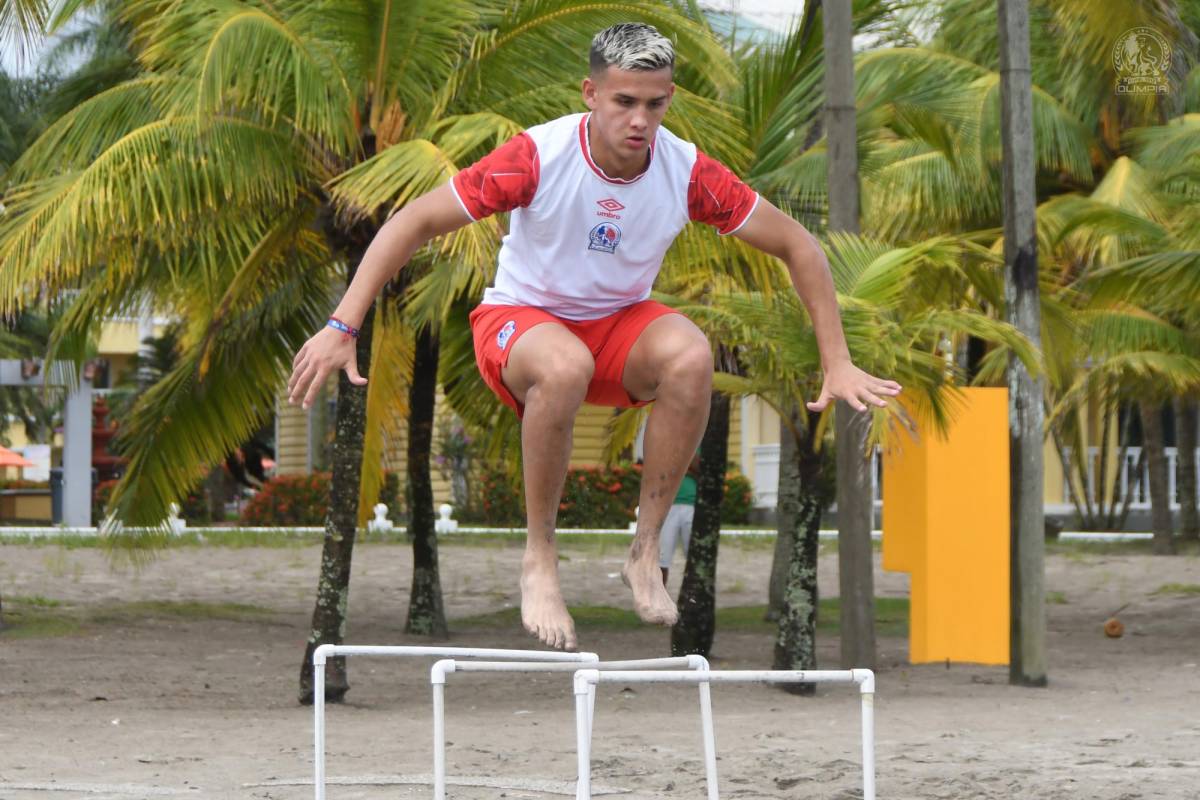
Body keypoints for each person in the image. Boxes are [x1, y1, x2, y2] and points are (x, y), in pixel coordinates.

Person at [287, 23, 901, 651]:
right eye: (624, 102)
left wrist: (837, 359)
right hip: (519, 324)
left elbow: (798, 245)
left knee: (691, 354)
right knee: (563, 364)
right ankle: (540, 560)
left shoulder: (686, 172)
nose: (640, 121)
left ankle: (643, 552)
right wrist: (343, 324)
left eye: (655, 104)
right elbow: (415, 219)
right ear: (590, 93)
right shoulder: (537, 156)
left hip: (617, 329)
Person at [659, 450, 699, 586]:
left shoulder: (698, 445)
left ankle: (693, 595)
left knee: (694, 558)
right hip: (669, 506)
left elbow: (702, 470)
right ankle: (659, 594)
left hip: (692, 505)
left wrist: (684, 466)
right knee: (662, 558)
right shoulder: (668, 444)